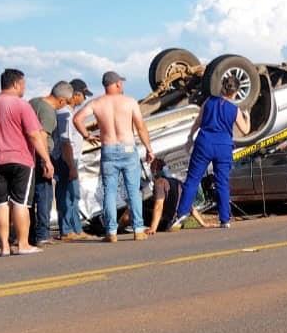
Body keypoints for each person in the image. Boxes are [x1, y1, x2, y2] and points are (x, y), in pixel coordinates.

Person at [0, 69, 54, 256]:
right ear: (16, 84)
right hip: (21, 161)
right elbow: (34, 135)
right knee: (20, 203)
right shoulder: (22, 106)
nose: (24, 88)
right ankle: (23, 244)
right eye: (24, 84)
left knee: (1, 204)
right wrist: (46, 160)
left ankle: (4, 247)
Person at [73, 71, 154, 243]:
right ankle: (138, 229)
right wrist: (149, 148)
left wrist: (87, 135)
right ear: (117, 84)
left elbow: (77, 118)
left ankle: (111, 232)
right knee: (133, 190)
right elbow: (140, 127)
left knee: (109, 191)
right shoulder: (130, 102)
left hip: (108, 148)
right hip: (128, 148)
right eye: (121, 83)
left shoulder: (96, 103)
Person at [173, 75, 251, 229]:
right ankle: (225, 219)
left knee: (193, 179)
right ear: (236, 92)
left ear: (222, 87)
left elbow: (198, 122)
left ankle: (181, 213)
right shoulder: (234, 110)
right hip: (223, 145)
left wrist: (190, 138)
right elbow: (245, 130)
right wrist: (247, 117)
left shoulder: (208, 102)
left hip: (204, 142)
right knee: (222, 182)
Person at [29, 81, 74, 245]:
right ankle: (42, 234)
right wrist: (46, 160)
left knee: (30, 198)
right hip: (41, 154)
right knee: (44, 195)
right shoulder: (48, 112)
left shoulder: (34, 102)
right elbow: (41, 136)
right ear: (61, 100)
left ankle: (30, 234)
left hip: (27, 154)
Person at [53, 79, 95, 241]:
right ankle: (71, 230)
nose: (84, 99)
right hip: (67, 160)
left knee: (68, 195)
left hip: (67, 159)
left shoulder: (67, 113)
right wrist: (71, 166)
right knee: (70, 195)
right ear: (75, 95)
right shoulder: (66, 114)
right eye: (83, 95)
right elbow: (66, 142)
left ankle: (73, 229)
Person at [140, 158, 207, 235]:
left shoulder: (159, 183)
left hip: (166, 223)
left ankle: (123, 228)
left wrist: (153, 228)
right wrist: (203, 223)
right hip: (178, 220)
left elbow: (159, 206)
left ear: (154, 171)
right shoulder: (177, 182)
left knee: (131, 211)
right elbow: (189, 205)